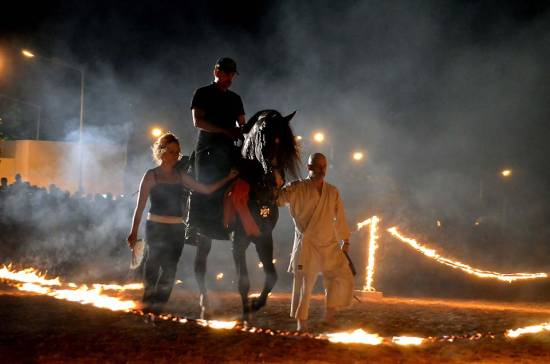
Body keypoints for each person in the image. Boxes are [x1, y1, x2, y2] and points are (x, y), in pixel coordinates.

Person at [127, 132, 238, 312]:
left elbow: (206, 190)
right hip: (155, 227)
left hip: (176, 228)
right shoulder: (151, 175)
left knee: (170, 270)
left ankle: (157, 308)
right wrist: (133, 232)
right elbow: (139, 207)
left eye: (177, 152)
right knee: (153, 265)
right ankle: (148, 304)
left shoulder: (180, 176)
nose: (175, 155)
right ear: (161, 152)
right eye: (171, 151)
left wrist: (228, 178)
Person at [186, 57, 245, 316]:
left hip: (230, 149)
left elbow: (242, 124)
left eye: (232, 74)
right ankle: (194, 224)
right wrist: (224, 131)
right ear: (216, 71)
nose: (229, 78)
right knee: (202, 184)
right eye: (226, 73)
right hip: (208, 149)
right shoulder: (203, 93)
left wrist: (245, 131)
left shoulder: (236, 98)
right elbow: (198, 121)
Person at [277, 153, 354, 331]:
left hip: (329, 243)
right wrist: (277, 184)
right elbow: (279, 201)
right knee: (305, 285)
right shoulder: (295, 188)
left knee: (340, 275)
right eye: (318, 166)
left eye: (324, 166)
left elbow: (340, 216)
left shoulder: (332, 191)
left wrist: (346, 239)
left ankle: (330, 316)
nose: (321, 169)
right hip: (308, 244)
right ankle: (301, 323)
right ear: (309, 168)